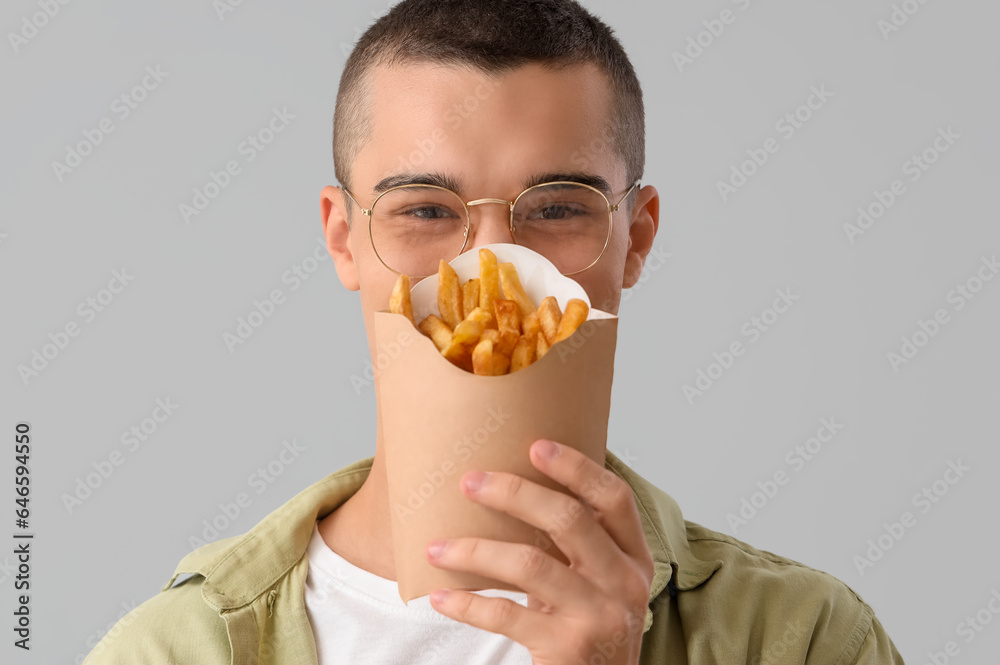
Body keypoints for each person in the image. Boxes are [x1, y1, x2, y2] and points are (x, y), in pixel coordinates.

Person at [84, 1, 905, 663]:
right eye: (425, 211)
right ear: (343, 238)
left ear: (637, 239)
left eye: (555, 208)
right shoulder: (175, 651)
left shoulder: (802, 640)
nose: (492, 269)